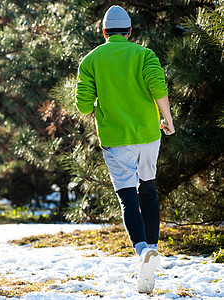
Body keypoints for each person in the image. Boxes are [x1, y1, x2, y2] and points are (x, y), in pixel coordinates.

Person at [74, 5, 175, 294]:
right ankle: (153, 250)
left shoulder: (91, 60)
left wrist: (97, 105)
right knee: (149, 189)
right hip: (147, 134)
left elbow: (82, 105)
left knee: (128, 198)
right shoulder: (144, 55)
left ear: (104, 32)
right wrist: (167, 121)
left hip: (115, 139)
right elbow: (158, 88)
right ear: (129, 32)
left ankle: (142, 251)